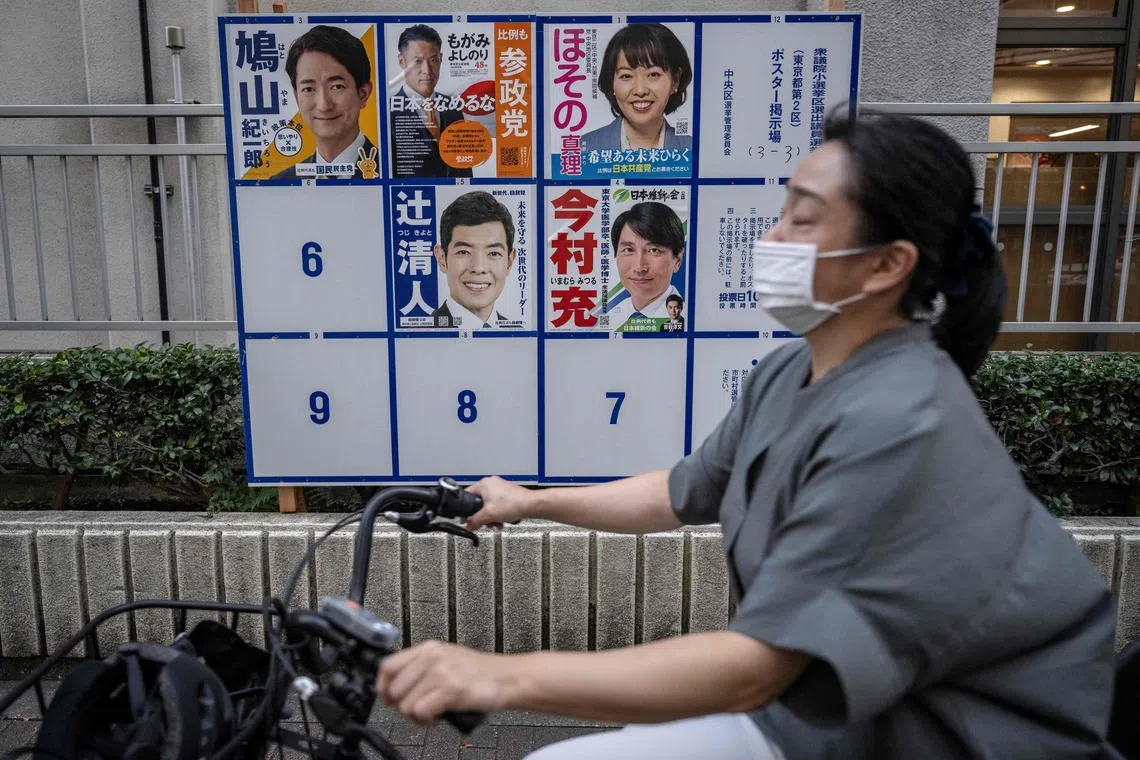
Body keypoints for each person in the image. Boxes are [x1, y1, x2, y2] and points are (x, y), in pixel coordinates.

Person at [375, 110, 1117, 759]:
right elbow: (680, 490)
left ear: (888, 264)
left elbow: (757, 666)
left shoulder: (904, 418)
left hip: (946, 737)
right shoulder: (792, 370)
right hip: (826, 722)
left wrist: (501, 675)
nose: (772, 236)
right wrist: (527, 501)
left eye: (803, 216)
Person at [272, 25, 376, 180]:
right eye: (308, 89)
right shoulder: (282, 182)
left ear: (363, 94)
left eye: (336, 87)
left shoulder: (399, 174)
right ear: (297, 98)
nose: (324, 105)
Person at [580, 24, 693, 155]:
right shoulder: (583, 149)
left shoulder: (694, 150)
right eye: (626, 76)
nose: (640, 91)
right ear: (612, 83)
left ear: (675, 80)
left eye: (653, 74)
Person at [389, 24, 471, 178]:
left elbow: (464, 168)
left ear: (441, 59)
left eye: (433, 60)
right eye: (418, 61)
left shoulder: (452, 106)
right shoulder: (387, 111)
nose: (427, 70)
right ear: (402, 61)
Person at [431, 191, 519, 329]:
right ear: (442, 258)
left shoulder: (520, 336)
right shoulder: (419, 336)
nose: (478, 268)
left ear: (509, 261)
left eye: (494, 253)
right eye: (464, 252)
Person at [604, 201, 685, 330]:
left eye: (654, 250)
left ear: (677, 260)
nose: (639, 267)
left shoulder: (689, 321)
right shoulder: (609, 318)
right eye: (629, 250)